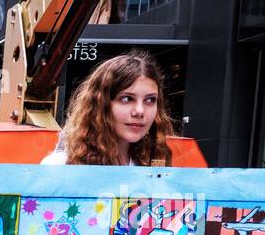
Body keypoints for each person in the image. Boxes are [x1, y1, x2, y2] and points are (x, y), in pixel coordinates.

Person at [41, 51, 174, 166]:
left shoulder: (155, 168)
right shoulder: (60, 166)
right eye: (127, 99)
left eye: (150, 100)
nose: (140, 111)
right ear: (100, 105)